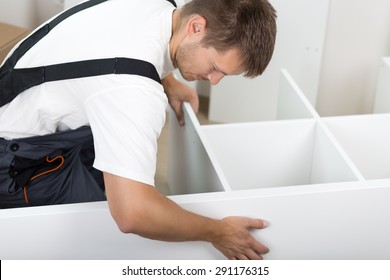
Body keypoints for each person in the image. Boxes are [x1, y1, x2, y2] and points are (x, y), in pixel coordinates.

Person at [0, 0, 277, 260]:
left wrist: (169, 82)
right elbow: (133, 214)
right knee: (101, 240)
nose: (214, 81)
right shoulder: (131, 90)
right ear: (196, 27)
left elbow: (120, 42)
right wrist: (217, 232)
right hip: (16, 163)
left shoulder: (158, 7)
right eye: (216, 68)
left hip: (19, 100)